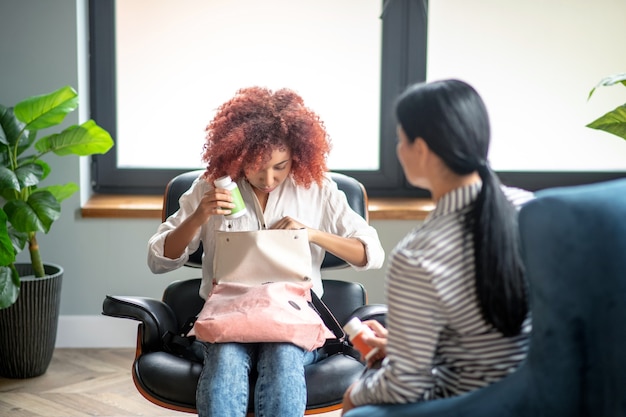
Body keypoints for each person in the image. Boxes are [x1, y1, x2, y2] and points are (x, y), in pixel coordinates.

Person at [147, 86, 385, 417]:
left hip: (294, 320)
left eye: (280, 166)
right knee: (226, 358)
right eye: (256, 166)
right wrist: (198, 216)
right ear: (236, 156)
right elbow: (158, 258)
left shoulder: (317, 189)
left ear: (297, 155)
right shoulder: (209, 186)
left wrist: (312, 235)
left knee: (283, 356)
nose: (268, 178)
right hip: (228, 317)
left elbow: (371, 253)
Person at [341, 79, 534, 416]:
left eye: (401, 140)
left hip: (467, 404)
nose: (398, 150)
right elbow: (485, 339)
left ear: (422, 150)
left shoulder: (417, 255)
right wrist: (398, 347)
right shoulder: (529, 208)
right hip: (536, 390)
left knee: (354, 401)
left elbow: (405, 386)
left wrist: (356, 394)